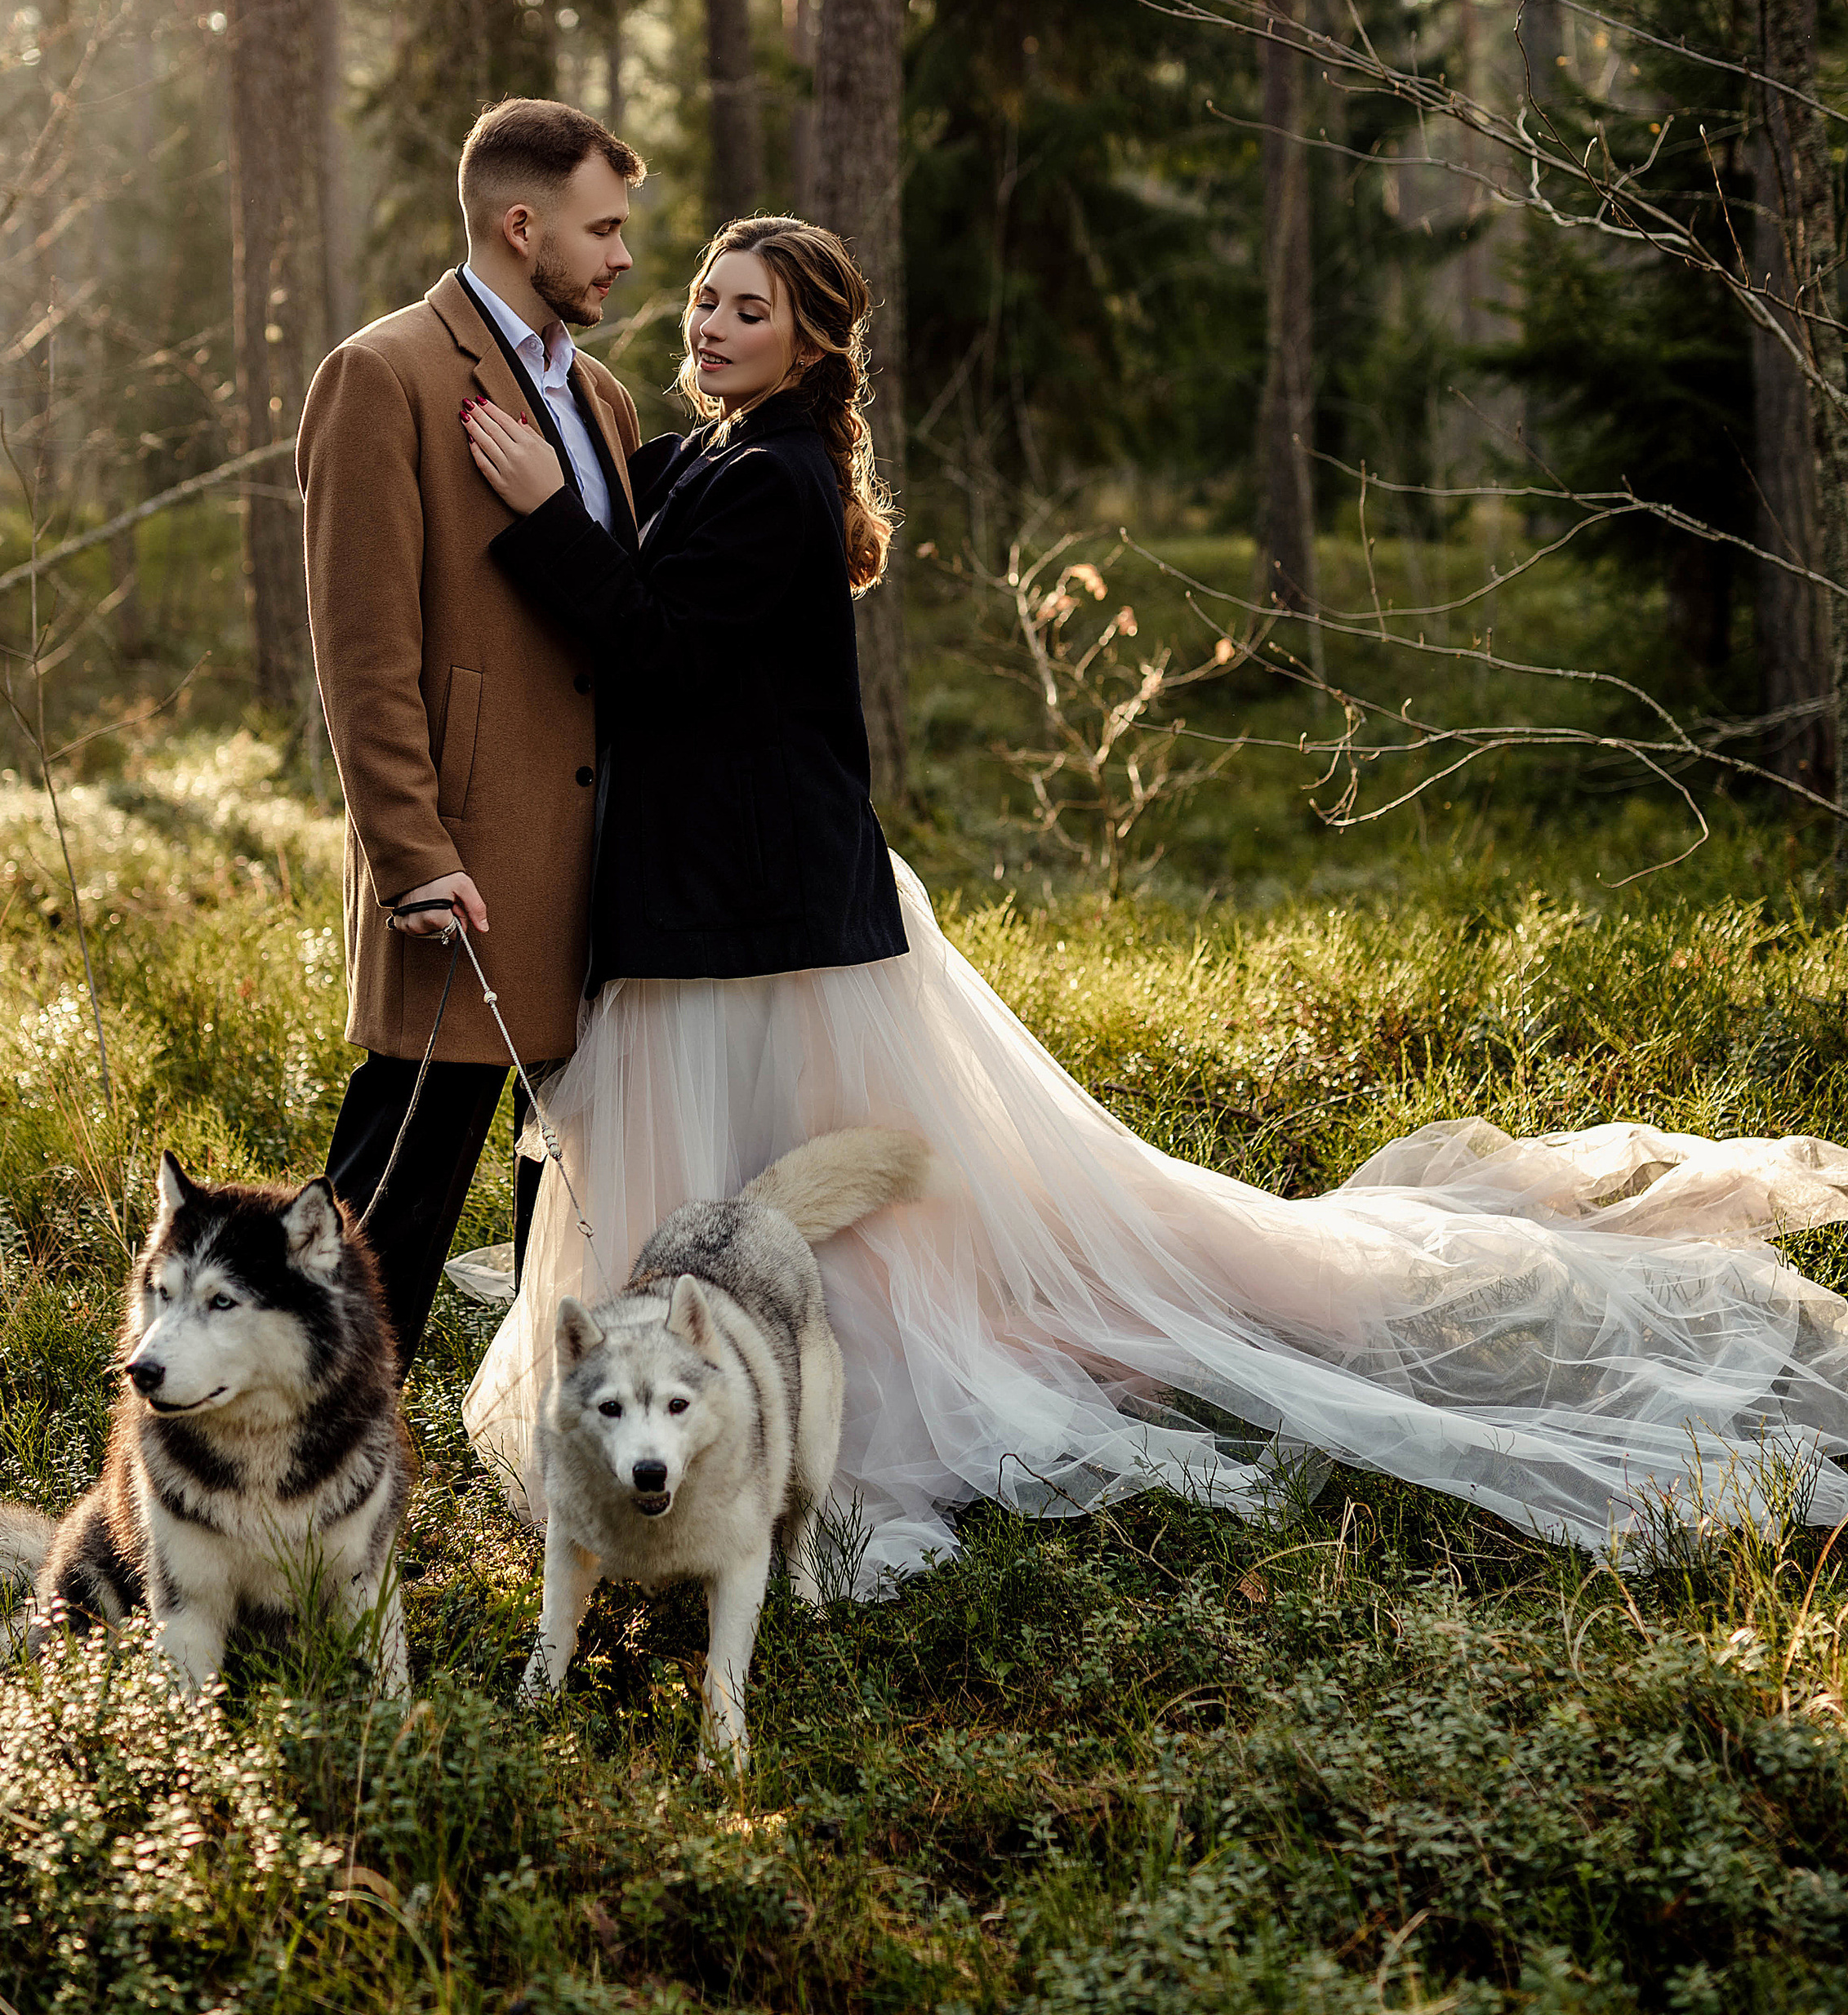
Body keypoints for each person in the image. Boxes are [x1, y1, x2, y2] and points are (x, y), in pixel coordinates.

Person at [457, 216, 1848, 1586]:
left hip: (759, 907)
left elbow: (655, 653)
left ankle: (803, 1406)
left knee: (830, 1183)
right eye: (704, 296)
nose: (708, 322)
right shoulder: (705, 449)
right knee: (758, 1160)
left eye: (748, 310)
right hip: (708, 891)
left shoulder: (780, 479)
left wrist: (536, 517)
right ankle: (689, 1388)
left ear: (812, 342)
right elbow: (621, 565)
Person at [296, 97, 643, 1371]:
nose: (619, 256)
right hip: (467, 868)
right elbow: (364, 647)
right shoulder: (381, 375)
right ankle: (298, 1448)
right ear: (520, 223)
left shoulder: (600, 397)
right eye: (602, 228)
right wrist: (409, 850)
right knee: (393, 1199)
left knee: (565, 1190)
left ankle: (537, 1438)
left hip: (600, 858)